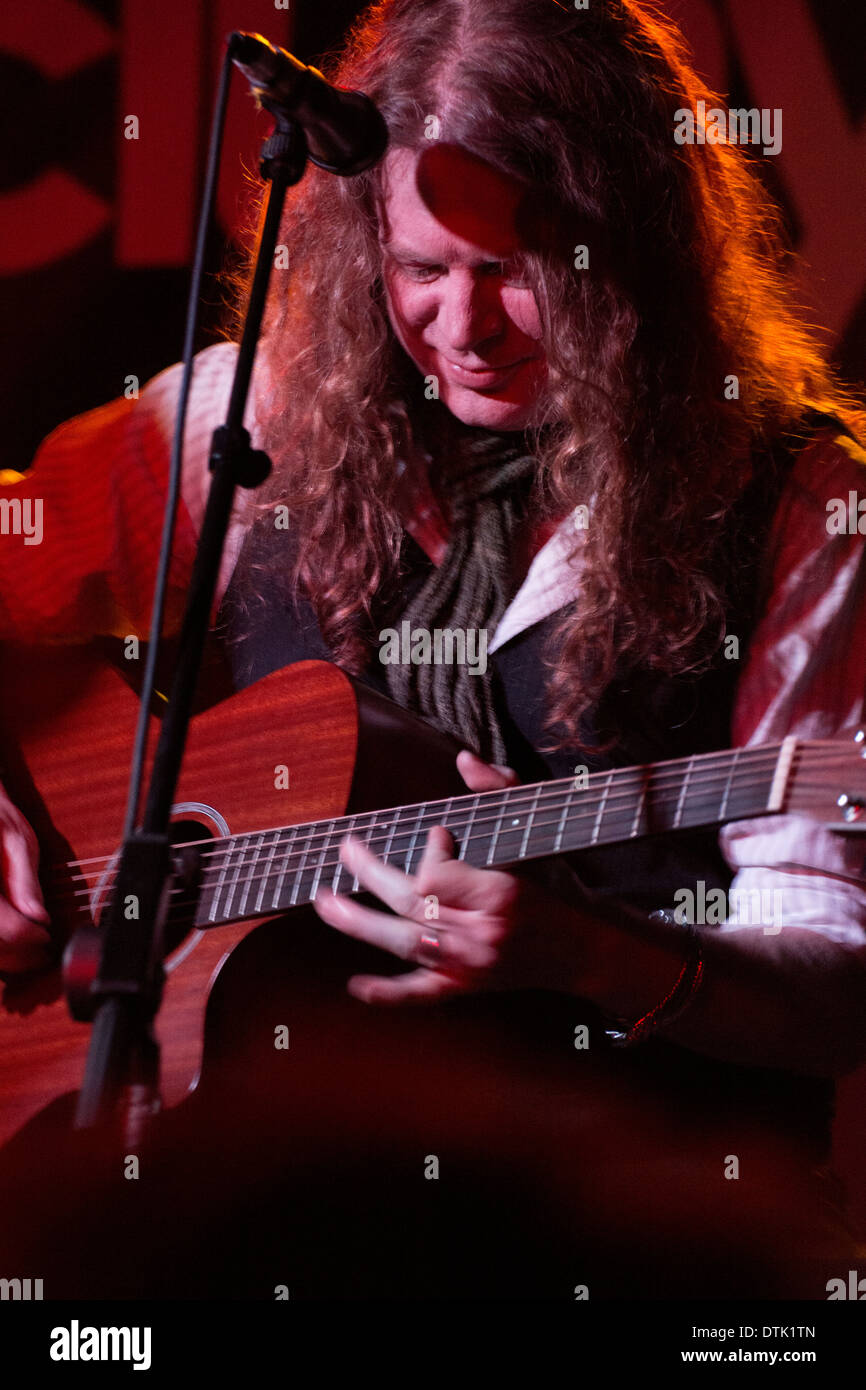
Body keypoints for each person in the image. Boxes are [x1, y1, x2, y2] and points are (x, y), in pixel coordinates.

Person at [1, 0, 865, 1298]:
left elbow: (834, 981)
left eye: (519, 267)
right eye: (419, 267)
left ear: (631, 254)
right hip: (266, 1231)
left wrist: (591, 951)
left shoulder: (793, 505)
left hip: (644, 1240)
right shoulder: (238, 430)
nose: (463, 326)